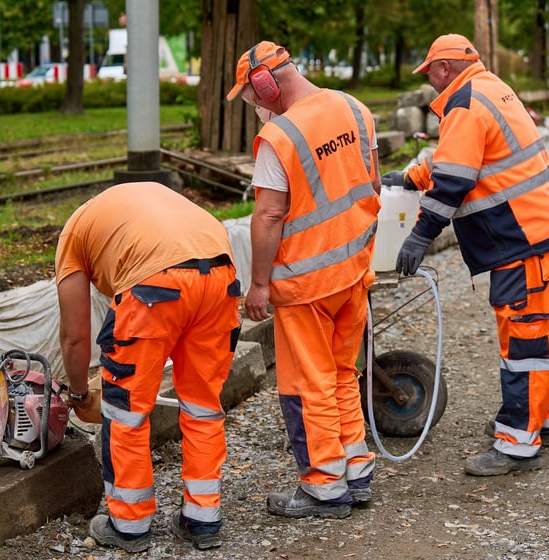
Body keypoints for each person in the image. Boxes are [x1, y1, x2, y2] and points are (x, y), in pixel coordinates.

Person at [381, 34, 549, 476]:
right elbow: (464, 156)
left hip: (523, 243)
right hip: (544, 234)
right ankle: (542, 420)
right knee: (538, 340)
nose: (428, 81)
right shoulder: (489, 88)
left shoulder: (465, 104)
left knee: (524, 344)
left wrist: (418, 237)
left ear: (445, 68)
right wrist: (412, 176)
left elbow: (453, 180)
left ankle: (517, 445)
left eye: (428, 71)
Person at [227, 41, 381, 519]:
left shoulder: (281, 137)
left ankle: (323, 487)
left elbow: (269, 215)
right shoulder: (355, 109)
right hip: (355, 271)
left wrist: (258, 285)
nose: (254, 105)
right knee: (341, 373)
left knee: (307, 383)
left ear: (266, 83)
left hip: (306, 284)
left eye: (251, 95)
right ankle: (357, 473)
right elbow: (372, 185)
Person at [54, 182, 241, 552]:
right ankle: (202, 520)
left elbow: (74, 336)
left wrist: (78, 393)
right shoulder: (139, 202)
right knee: (203, 406)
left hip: (156, 286)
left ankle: (129, 525)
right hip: (221, 277)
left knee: (127, 411)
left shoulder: (72, 235)